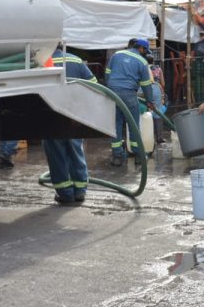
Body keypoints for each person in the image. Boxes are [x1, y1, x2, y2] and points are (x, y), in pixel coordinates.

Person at [43, 45, 97, 205]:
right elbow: (94, 84)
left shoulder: (44, 61)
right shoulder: (76, 60)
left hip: (52, 114)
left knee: (56, 154)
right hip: (75, 113)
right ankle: (80, 190)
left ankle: (65, 193)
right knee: (75, 150)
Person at [105, 38, 154, 166]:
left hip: (113, 93)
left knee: (116, 125)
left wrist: (110, 89)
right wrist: (150, 101)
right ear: (141, 48)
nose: (145, 53)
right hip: (129, 94)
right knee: (133, 125)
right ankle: (138, 156)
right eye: (145, 50)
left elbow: (107, 74)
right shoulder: (142, 62)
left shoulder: (116, 55)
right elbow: (146, 84)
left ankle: (117, 157)